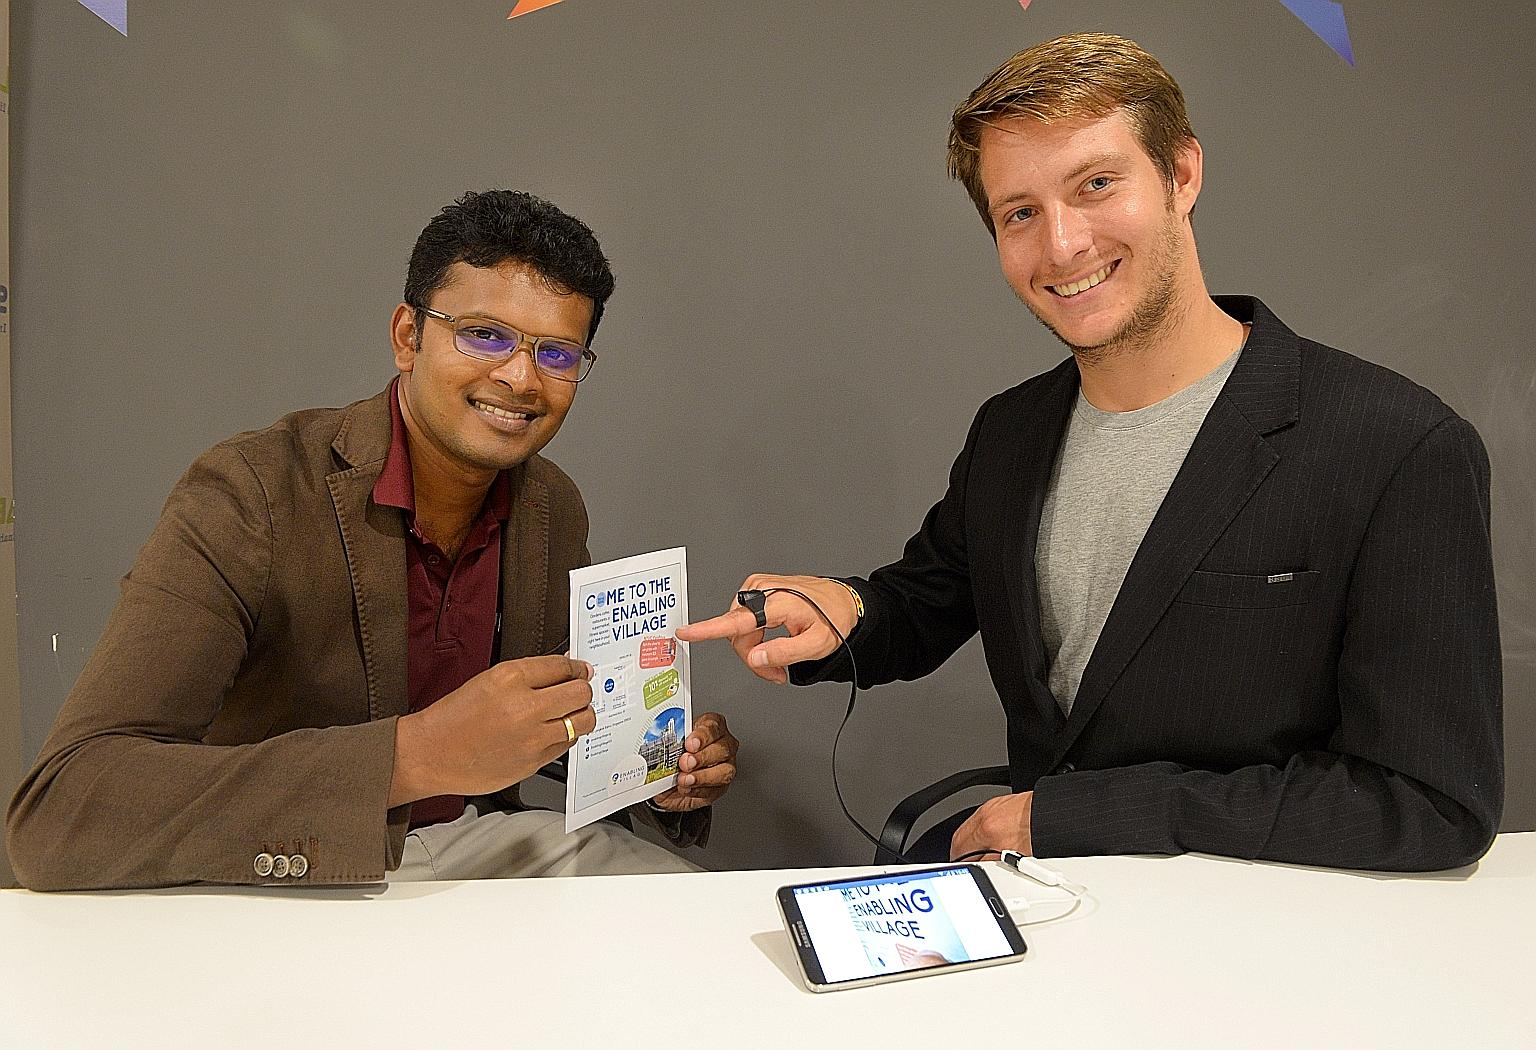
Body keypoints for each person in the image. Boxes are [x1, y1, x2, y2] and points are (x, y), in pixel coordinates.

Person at [678, 34, 1501, 872]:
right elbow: (931, 600)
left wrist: (1078, 816)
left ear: (1181, 175)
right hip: (1051, 916)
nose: (1063, 244)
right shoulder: (1012, 431)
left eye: (1097, 185)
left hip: (1267, 930)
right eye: (1020, 213)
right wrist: (850, 613)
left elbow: (1428, 803)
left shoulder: (1399, 447)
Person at [7, 190, 738, 890]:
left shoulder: (551, 505)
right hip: (276, 868)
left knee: (700, 931)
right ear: (408, 337)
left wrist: (658, 766)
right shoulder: (253, 492)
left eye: (557, 354)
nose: (521, 378)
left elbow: (554, 730)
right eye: (485, 334)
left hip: (475, 848)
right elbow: (61, 812)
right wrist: (412, 757)